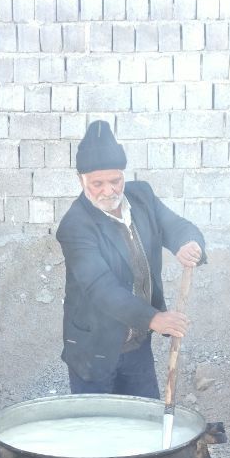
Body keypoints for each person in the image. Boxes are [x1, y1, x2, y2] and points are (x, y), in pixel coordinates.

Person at [56, 120, 207, 398]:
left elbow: (172, 225)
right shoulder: (75, 226)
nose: (108, 190)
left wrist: (187, 242)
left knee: (144, 425)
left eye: (115, 181)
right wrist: (153, 318)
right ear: (82, 180)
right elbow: (102, 288)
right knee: (98, 429)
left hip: (137, 346)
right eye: (97, 183)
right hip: (93, 350)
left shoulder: (141, 196)